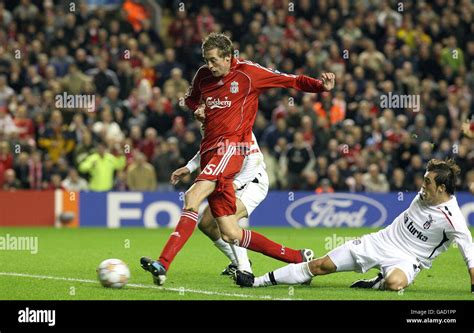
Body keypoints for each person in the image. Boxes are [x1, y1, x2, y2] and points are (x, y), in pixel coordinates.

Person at [140, 32, 335, 285]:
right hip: (211, 150)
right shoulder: (203, 76)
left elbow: (290, 81)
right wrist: (196, 109)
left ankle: (163, 264)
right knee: (230, 232)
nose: (209, 66)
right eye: (206, 60)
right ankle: (298, 259)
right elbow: (190, 100)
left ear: (229, 57)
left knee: (192, 197)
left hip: (232, 149)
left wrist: (320, 86)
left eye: (213, 60)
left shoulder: (248, 73)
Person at [235, 159, 474, 294]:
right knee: (320, 265)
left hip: (409, 258)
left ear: (442, 188)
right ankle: (258, 280)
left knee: (395, 284)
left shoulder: (453, 219)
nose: (422, 186)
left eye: (428, 182)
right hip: (381, 241)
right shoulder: (425, 195)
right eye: (424, 179)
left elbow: (469, 254)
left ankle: (377, 281)